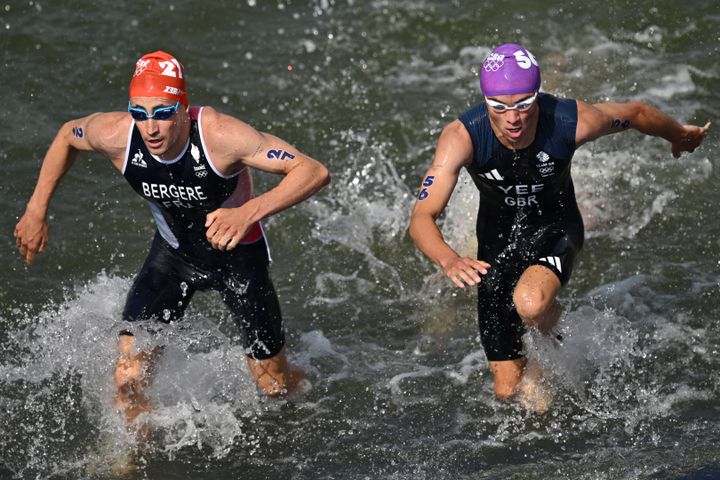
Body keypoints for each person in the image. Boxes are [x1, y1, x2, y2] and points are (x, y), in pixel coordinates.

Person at [14, 51, 330, 427]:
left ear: (183, 108)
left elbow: (312, 170)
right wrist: (36, 210)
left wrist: (248, 211)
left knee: (275, 388)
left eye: (163, 113)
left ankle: (319, 390)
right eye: (140, 112)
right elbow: (68, 135)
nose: (151, 128)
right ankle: (131, 462)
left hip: (238, 259)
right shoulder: (117, 135)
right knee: (127, 382)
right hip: (172, 259)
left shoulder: (222, 136)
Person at [409, 43, 710, 410]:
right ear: (485, 100)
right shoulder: (461, 137)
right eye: (499, 107)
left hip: (555, 227)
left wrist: (678, 134)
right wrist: (449, 260)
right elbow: (422, 217)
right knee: (509, 395)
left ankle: (549, 334)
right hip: (496, 247)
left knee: (530, 305)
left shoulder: (570, 119)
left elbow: (636, 112)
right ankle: (551, 346)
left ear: (537, 96)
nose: (513, 118)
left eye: (523, 104)